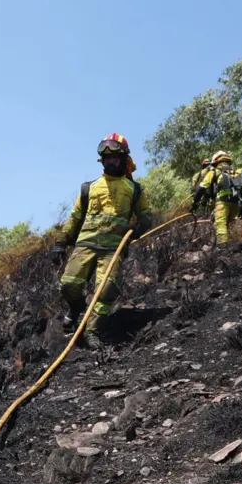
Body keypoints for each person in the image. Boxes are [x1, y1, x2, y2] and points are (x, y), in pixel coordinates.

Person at [51, 133, 152, 347]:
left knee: (106, 290)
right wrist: (61, 243)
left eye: (115, 157)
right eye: (107, 157)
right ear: (101, 160)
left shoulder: (134, 190)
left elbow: (146, 215)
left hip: (112, 249)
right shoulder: (89, 188)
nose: (111, 160)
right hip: (85, 244)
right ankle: (77, 308)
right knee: (68, 285)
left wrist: (138, 228)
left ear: (123, 159)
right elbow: (75, 217)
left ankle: (92, 331)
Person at [192, 150, 242, 245]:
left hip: (222, 202)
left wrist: (195, 203)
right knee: (225, 224)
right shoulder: (236, 172)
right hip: (236, 203)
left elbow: (202, 187)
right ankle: (227, 243)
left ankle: (223, 250)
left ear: (215, 161)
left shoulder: (214, 172)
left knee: (220, 225)